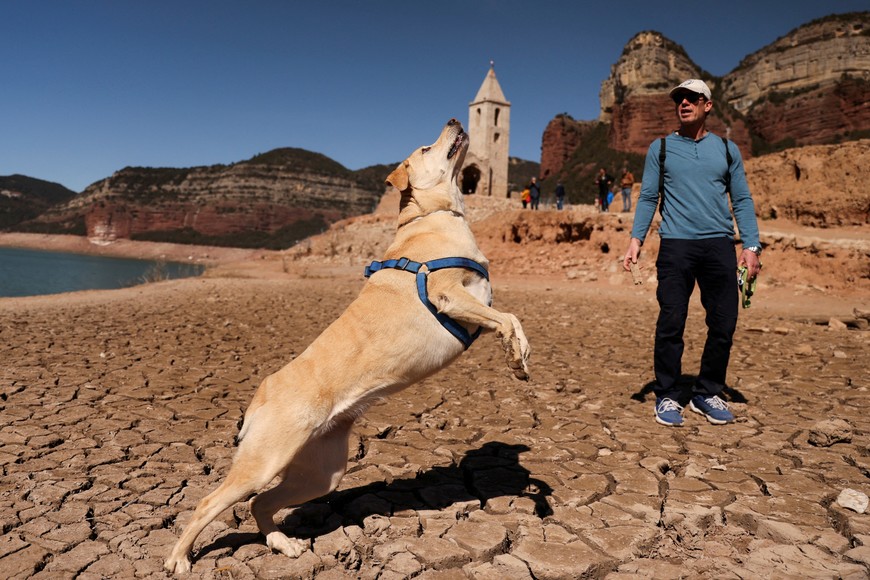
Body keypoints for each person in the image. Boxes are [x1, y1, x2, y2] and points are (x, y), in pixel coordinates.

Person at [622, 78, 762, 428]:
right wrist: (636, 240)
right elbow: (648, 197)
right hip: (676, 245)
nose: (683, 103)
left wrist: (751, 245)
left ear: (707, 105)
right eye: (679, 99)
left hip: (719, 245)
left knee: (724, 323)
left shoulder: (728, 149)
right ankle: (667, 395)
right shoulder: (662, 148)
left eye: (692, 98)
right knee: (671, 321)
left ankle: (706, 392)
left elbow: (742, 200)